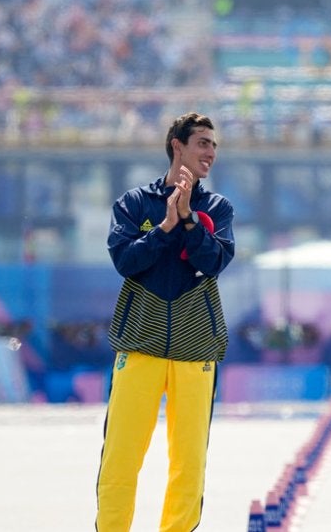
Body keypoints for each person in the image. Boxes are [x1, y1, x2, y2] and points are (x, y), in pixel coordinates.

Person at [95, 112, 235, 531]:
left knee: (188, 464)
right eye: (202, 143)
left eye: (213, 145)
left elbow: (214, 262)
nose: (210, 152)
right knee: (121, 458)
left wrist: (190, 219)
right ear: (178, 145)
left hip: (197, 350)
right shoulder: (134, 204)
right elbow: (125, 261)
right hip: (138, 346)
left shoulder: (217, 208)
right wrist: (166, 225)